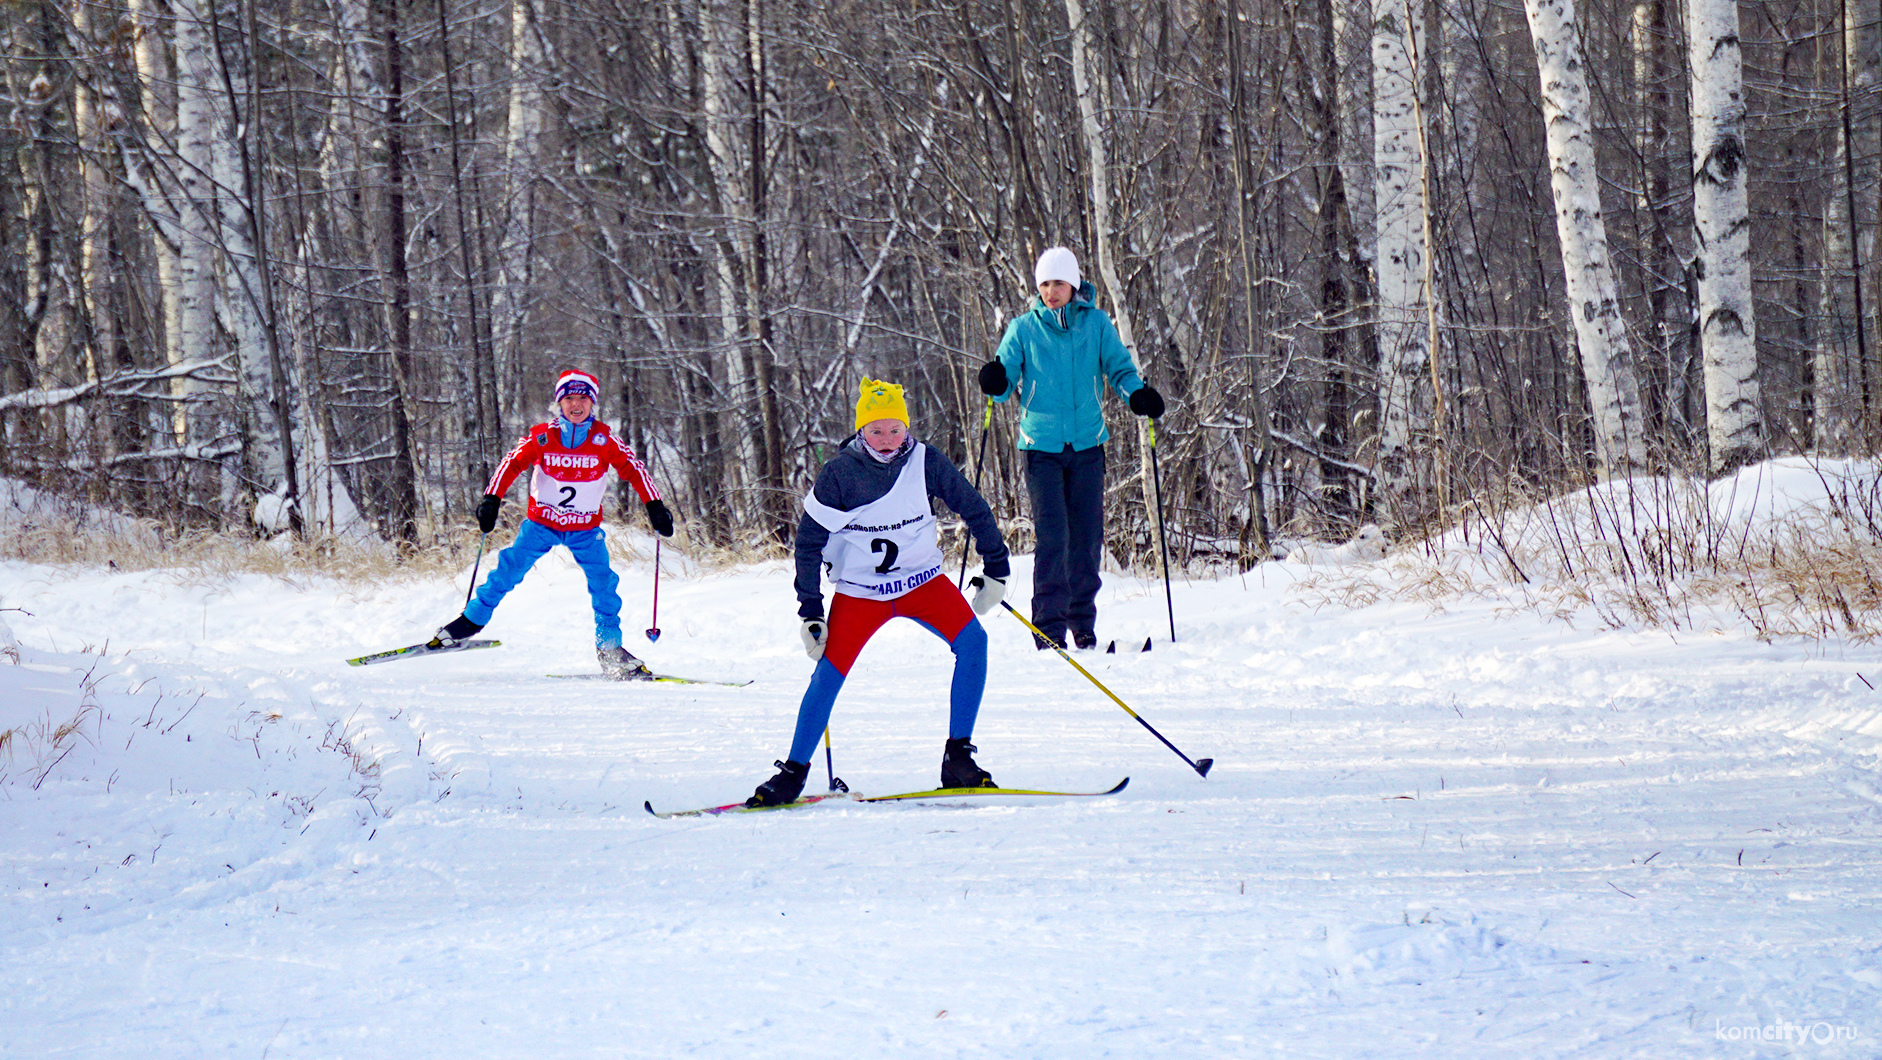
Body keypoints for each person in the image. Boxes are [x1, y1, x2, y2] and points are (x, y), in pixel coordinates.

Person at [746, 378, 1012, 807]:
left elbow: (974, 507)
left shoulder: (926, 461)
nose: (887, 441)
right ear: (860, 432)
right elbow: (808, 543)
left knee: (974, 642)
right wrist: (811, 611)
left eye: (895, 430)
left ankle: (958, 757)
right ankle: (793, 772)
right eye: (875, 431)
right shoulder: (839, 474)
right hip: (861, 594)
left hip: (921, 582)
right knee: (828, 674)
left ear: (907, 429)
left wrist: (996, 568)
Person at [430, 368, 675, 679]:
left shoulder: (604, 439)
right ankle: (470, 621)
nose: (576, 405)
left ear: (592, 403)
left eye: (583, 399)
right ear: (560, 403)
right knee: (508, 570)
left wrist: (654, 506)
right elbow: (512, 461)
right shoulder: (543, 436)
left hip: (585, 529)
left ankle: (610, 649)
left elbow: (633, 468)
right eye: (570, 398)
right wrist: (491, 498)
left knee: (604, 584)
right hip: (541, 524)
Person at [977, 246, 1164, 651]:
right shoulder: (1023, 328)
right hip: (1040, 446)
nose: (1050, 291)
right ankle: (1048, 626)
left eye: (1058, 283)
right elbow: (1005, 378)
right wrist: (995, 379)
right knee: (1053, 536)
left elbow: (1119, 369)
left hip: (1087, 444)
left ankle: (1082, 623)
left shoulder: (1096, 324)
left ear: (1073, 284)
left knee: (1086, 538)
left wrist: (1137, 396)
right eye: (1044, 284)